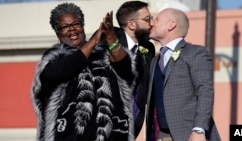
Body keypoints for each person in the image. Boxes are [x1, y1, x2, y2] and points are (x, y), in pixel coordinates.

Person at [30, 3, 137, 141]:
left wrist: (111, 37)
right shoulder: (54, 58)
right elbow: (62, 71)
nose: (72, 30)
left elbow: (126, 70)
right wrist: (93, 42)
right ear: (58, 32)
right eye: (65, 27)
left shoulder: (103, 55)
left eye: (76, 24)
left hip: (112, 135)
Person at [145, 8, 221, 141]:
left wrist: (199, 129)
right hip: (161, 136)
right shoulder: (154, 61)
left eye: (157, 19)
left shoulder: (195, 53)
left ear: (171, 25)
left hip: (190, 135)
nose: (151, 23)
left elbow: (205, 91)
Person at [115, 1, 155, 137]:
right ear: (131, 24)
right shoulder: (111, 40)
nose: (152, 23)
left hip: (134, 124)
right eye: (147, 19)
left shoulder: (148, 48)